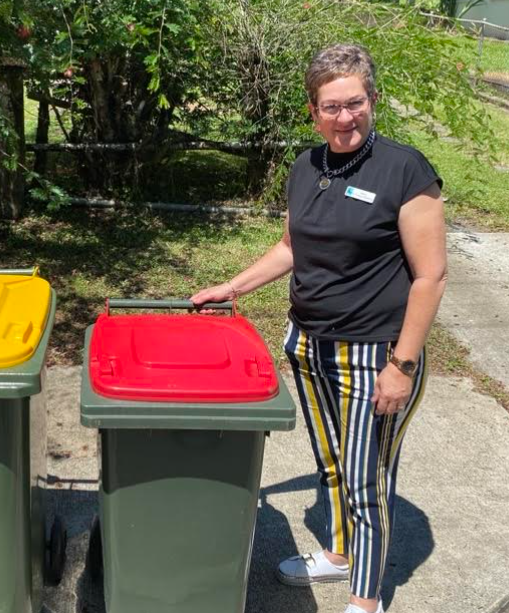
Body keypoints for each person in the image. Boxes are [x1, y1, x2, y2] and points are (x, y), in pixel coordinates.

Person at [191, 44, 446, 613]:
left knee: (365, 477)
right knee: (331, 460)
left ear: (372, 100)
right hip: (309, 342)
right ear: (313, 111)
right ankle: (338, 552)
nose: (345, 117)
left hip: (375, 351)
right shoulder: (307, 167)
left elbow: (430, 276)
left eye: (355, 103)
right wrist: (230, 288)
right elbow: (289, 247)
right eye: (331, 107)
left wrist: (402, 365)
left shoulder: (406, 170)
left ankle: (366, 598)